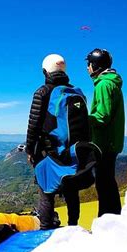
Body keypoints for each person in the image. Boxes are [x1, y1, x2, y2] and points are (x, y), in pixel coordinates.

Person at [26, 54, 83, 229]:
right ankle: (73, 227)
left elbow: (33, 125)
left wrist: (30, 150)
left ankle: (45, 230)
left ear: (45, 71)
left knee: (46, 191)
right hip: (73, 152)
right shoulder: (76, 92)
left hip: (49, 152)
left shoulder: (42, 92)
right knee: (71, 191)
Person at [85, 48, 125, 216]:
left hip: (104, 143)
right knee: (108, 182)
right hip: (111, 142)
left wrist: (82, 118)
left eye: (89, 64)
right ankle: (114, 216)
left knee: (103, 183)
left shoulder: (103, 84)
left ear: (96, 65)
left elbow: (102, 116)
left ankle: (106, 219)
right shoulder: (111, 83)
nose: (87, 68)